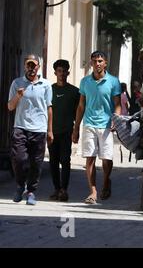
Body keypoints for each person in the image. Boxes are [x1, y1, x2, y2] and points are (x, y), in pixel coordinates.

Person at [72, 51, 122, 204]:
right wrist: (76, 129)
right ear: (91, 63)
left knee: (106, 159)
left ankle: (106, 181)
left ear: (105, 63)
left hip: (107, 125)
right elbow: (81, 106)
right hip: (89, 124)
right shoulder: (85, 82)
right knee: (90, 158)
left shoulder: (113, 81)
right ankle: (93, 191)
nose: (97, 64)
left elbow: (117, 104)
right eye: (94, 61)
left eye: (100, 61)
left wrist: (116, 119)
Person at [8, 54, 53, 205]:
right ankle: (20, 185)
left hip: (39, 129)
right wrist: (18, 96)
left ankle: (31, 191)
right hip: (20, 127)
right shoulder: (17, 83)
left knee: (36, 162)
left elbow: (49, 108)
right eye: (29, 65)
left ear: (38, 67)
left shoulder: (45, 85)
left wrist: (50, 130)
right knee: (19, 159)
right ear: (25, 66)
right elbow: (10, 106)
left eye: (34, 65)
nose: (31, 68)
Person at [48, 59, 80, 202]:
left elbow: (78, 112)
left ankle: (64, 190)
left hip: (67, 131)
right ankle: (56, 189)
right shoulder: (49, 90)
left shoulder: (74, 91)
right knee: (53, 161)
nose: (61, 74)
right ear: (55, 72)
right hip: (51, 132)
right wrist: (47, 131)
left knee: (65, 160)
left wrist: (75, 130)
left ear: (68, 72)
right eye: (59, 71)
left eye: (64, 71)